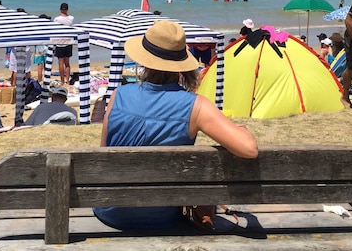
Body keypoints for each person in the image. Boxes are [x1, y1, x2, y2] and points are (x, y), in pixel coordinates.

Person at [93, 20, 258, 230]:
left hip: (109, 212)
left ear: (144, 59)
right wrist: (242, 130)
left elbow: (102, 154)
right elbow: (249, 149)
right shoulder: (195, 106)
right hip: (162, 216)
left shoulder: (119, 96)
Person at [52, 3, 74, 85]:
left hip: (59, 42)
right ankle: (67, 80)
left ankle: (62, 81)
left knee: (60, 63)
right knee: (67, 63)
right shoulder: (71, 18)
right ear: (67, 9)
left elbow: (54, 30)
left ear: (60, 9)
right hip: (68, 41)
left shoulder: (57, 19)